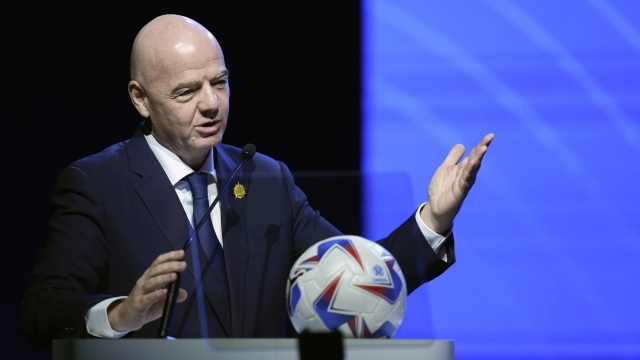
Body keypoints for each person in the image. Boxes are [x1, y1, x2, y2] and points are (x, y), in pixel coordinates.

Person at [21, 15, 494, 348]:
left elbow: (358, 282)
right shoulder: (97, 183)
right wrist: (120, 314)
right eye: (187, 91)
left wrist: (433, 218)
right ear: (140, 99)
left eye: (220, 82)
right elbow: (44, 310)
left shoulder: (264, 178)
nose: (212, 104)